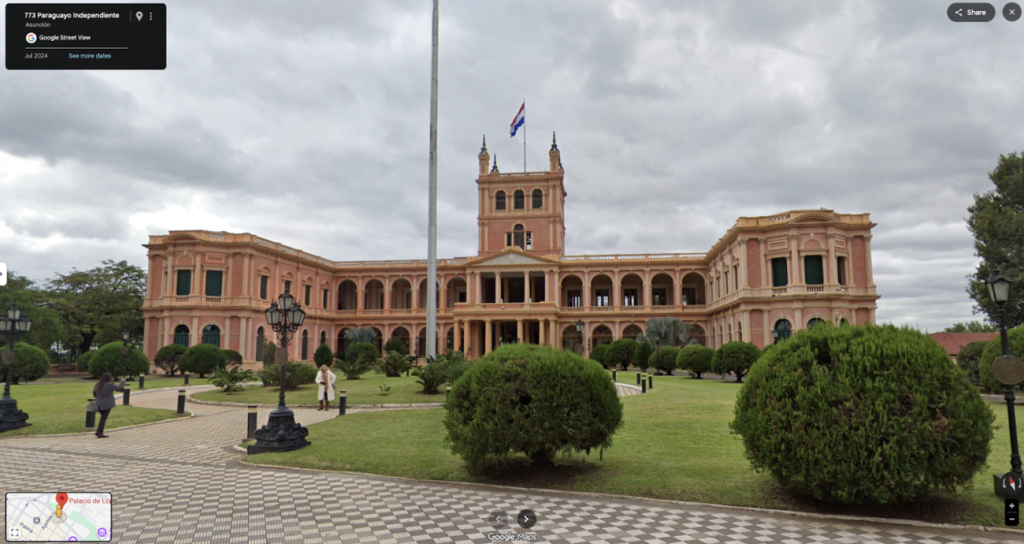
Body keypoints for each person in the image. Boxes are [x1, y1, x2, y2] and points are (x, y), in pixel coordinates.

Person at [93, 372, 125, 438]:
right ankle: (99, 433)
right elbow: (119, 388)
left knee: (102, 418)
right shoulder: (110, 384)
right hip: (106, 404)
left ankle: (99, 432)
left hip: (99, 404)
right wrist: (122, 381)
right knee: (103, 419)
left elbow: (94, 394)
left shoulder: (97, 385)